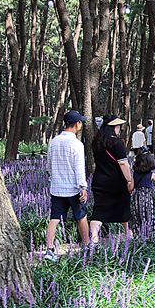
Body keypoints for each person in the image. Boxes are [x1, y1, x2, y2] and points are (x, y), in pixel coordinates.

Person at [45, 110, 89, 261]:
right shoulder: (76, 144)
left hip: (57, 188)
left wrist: (55, 177)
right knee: (81, 217)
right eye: (80, 123)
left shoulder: (54, 142)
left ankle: (49, 250)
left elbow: (49, 165)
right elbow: (79, 167)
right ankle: (87, 247)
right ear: (77, 124)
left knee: (54, 218)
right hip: (74, 189)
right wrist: (83, 187)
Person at [90, 114, 133, 242]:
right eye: (117, 126)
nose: (119, 128)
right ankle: (128, 236)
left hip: (99, 181)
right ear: (111, 128)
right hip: (116, 183)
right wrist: (129, 180)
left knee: (99, 210)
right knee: (123, 209)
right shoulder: (117, 143)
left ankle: (94, 239)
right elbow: (123, 163)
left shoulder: (96, 143)